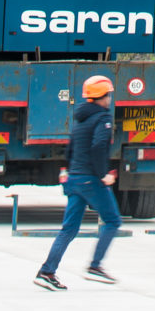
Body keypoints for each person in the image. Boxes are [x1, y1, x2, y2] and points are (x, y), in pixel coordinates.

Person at [35, 73, 121, 290]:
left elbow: (71, 148)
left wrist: (67, 172)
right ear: (101, 96)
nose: (110, 98)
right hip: (90, 179)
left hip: (74, 179)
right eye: (108, 94)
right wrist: (103, 174)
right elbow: (99, 146)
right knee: (112, 220)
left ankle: (46, 272)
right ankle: (95, 266)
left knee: (69, 229)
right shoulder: (103, 117)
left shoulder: (80, 119)